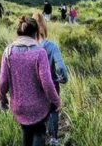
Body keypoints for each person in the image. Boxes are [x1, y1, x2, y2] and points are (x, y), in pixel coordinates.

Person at [0, 17, 61, 146]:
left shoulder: (8, 52)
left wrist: (2, 99)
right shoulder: (40, 53)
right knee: (39, 133)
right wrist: (56, 100)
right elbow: (47, 83)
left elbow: (2, 82)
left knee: (26, 132)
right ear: (36, 34)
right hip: (39, 107)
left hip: (19, 107)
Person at [32, 12, 70, 145]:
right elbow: (61, 68)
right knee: (53, 110)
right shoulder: (52, 47)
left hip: (33, 87)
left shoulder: (27, 48)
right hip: (52, 85)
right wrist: (63, 79)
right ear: (44, 27)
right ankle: (53, 138)